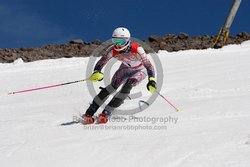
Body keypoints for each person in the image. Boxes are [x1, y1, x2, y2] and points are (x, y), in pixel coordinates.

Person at [82, 27, 157, 124]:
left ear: (127, 41)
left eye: (121, 42)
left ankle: (106, 112)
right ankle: (89, 112)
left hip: (140, 70)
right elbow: (102, 61)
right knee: (112, 87)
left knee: (128, 85)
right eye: (115, 41)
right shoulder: (112, 50)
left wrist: (151, 80)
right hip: (125, 68)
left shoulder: (137, 49)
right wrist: (97, 71)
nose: (117, 44)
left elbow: (148, 65)